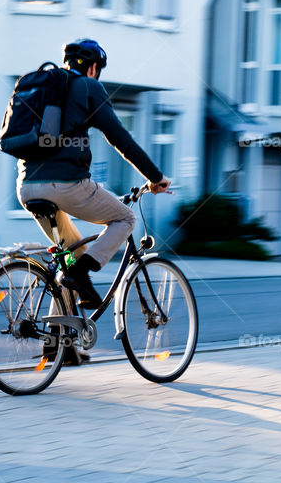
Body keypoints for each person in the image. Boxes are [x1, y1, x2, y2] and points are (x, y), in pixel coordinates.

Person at [18, 38, 172, 310]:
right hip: (66, 184)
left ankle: (59, 345)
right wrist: (155, 177)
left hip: (27, 186)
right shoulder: (89, 86)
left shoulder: (45, 89)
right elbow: (120, 138)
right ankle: (80, 273)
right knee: (125, 218)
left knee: (70, 255)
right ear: (93, 68)